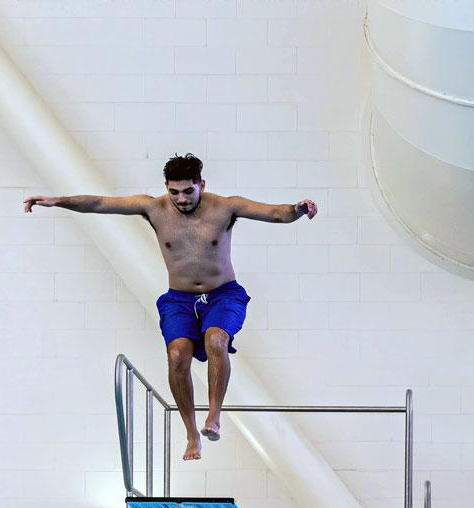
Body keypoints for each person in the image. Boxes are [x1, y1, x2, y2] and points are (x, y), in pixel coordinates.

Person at [24, 153, 318, 460]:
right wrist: (58, 201)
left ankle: (214, 416)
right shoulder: (154, 208)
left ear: (201, 185)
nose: (181, 199)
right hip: (179, 299)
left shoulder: (226, 207)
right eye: (173, 192)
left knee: (216, 339)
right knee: (177, 355)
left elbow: (274, 213)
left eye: (188, 191)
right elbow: (100, 203)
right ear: (166, 187)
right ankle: (192, 435)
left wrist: (298, 209)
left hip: (223, 295)